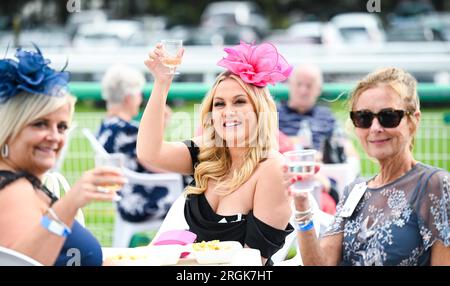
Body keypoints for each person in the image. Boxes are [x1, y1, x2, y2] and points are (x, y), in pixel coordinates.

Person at [137, 41, 295, 265]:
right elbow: (149, 152)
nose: (228, 112)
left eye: (239, 102)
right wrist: (162, 83)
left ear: (259, 110)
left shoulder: (272, 168)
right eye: (219, 104)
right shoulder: (206, 152)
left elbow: (252, 262)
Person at [289, 67, 450, 266]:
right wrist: (302, 207)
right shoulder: (354, 191)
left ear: (413, 121)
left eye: (389, 116)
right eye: (363, 118)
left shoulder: (434, 185)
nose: (375, 128)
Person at [0, 47, 126, 266]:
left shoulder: (25, 182)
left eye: (62, 127)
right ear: (9, 129)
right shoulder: (12, 190)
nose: (55, 137)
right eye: (40, 124)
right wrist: (68, 205)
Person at [98, 64, 173, 223]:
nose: (140, 99)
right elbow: (157, 163)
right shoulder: (128, 130)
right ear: (128, 98)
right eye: (139, 94)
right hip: (139, 203)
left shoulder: (107, 126)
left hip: (124, 198)